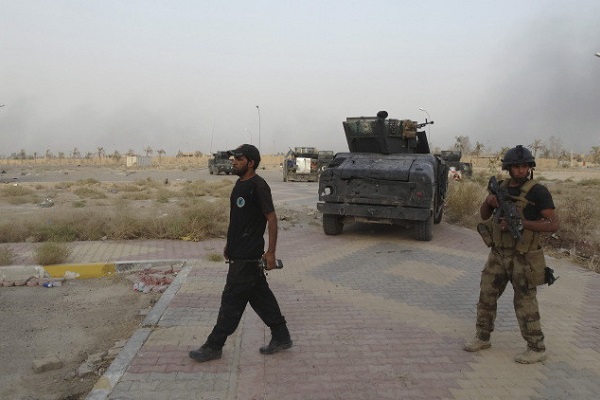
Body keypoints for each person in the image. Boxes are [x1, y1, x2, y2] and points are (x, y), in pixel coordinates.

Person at [189, 144, 292, 363]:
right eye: (233, 158)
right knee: (260, 297)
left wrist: (271, 252)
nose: (233, 161)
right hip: (239, 253)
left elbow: (272, 218)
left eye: (239, 158)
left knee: (231, 301)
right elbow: (237, 220)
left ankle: (214, 345)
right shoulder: (239, 184)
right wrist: (229, 245)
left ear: (251, 163)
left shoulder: (258, 186)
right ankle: (282, 336)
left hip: (248, 256)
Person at [464, 145, 559, 364]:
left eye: (525, 166)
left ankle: (536, 348)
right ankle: (482, 337)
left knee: (525, 302)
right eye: (516, 166)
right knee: (486, 295)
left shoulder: (538, 192)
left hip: (523, 256)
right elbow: (484, 215)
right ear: (508, 168)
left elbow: (553, 224)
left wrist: (521, 223)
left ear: (530, 167)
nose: (521, 170)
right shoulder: (500, 187)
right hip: (498, 253)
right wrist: (488, 201)